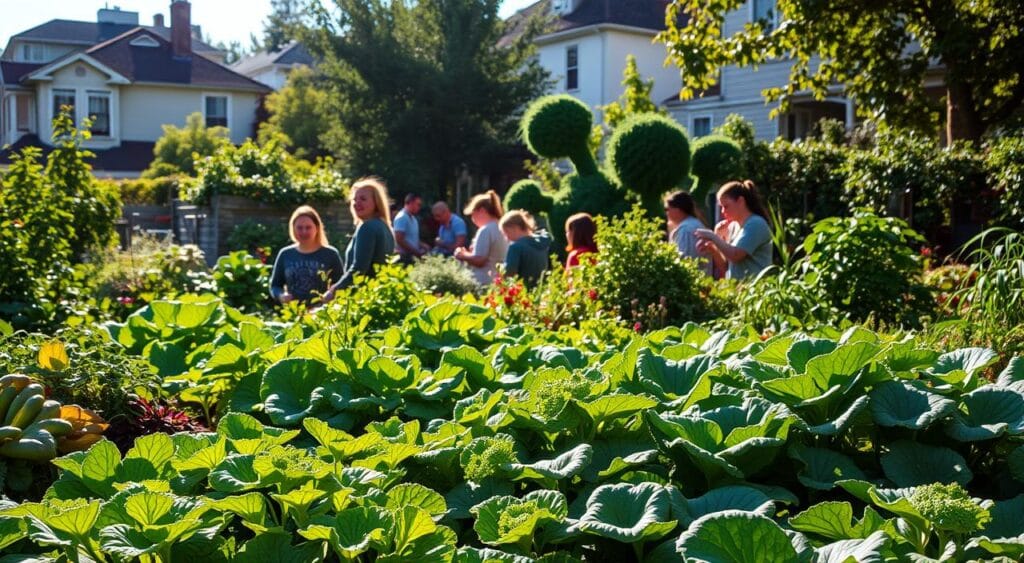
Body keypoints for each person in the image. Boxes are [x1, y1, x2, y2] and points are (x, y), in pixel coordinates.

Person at [325, 177, 396, 299]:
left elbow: (358, 269)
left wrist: (334, 290)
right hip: (378, 296)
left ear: (376, 202)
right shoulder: (385, 227)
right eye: (354, 199)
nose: (357, 203)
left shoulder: (367, 227)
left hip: (362, 298)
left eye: (363, 199)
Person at [695, 180, 773, 280]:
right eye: (721, 207)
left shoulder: (756, 223)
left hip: (756, 292)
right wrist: (712, 248)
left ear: (740, 201)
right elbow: (725, 265)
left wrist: (713, 236)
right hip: (739, 291)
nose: (723, 212)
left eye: (726, 206)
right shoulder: (733, 226)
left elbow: (735, 255)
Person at [269, 206, 344, 304]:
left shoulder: (331, 254)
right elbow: (275, 286)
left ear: (317, 228)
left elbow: (341, 285)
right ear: (293, 229)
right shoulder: (285, 254)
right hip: (293, 313)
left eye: (308, 227)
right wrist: (281, 296)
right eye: (299, 228)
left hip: (323, 314)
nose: (304, 231)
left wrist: (331, 294)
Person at [454, 190, 508, 285]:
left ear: (482, 211)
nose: (472, 219)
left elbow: (480, 260)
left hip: (482, 281)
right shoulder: (502, 227)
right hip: (497, 281)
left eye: (473, 214)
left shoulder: (485, 230)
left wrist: (462, 254)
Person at [665, 190, 713, 275]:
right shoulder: (695, 223)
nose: (666, 213)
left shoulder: (685, 229)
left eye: (668, 209)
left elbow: (683, 261)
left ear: (678, 210)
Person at [500, 210, 551, 288]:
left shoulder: (515, 247)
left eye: (506, 233)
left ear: (515, 228)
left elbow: (509, 273)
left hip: (523, 292)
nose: (506, 239)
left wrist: (501, 268)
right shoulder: (542, 243)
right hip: (541, 290)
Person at [393, 192, 430, 263]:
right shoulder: (402, 217)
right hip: (403, 258)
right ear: (411, 203)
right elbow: (399, 240)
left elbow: (411, 238)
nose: (419, 207)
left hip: (411, 257)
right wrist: (417, 252)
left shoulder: (413, 219)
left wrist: (423, 245)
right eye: (418, 204)